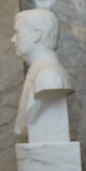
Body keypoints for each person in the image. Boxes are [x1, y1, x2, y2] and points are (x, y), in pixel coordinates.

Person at [11, 8, 74, 143]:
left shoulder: (49, 76)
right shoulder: (39, 72)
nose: (12, 39)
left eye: (17, 33)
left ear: (36, 35)